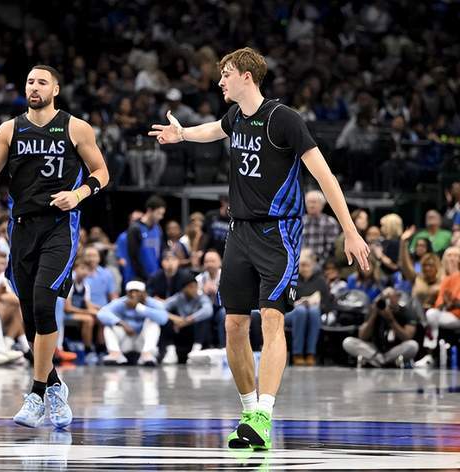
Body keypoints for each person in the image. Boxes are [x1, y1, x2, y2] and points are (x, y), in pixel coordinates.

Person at [149, 46, 369, 450]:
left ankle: (265, 415)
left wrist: (350, 230)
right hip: (240, 232)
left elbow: (325, 177)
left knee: (271, 318)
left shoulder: (283, 119)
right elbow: (214, 129)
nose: (220, 81)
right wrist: (182, 134)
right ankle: (249, 414)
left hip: (279, 233)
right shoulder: (236, 116)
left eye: (226, 74)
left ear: (246, 76)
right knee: (233, 324)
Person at [0, 64, 109, 430]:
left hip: (59, 227)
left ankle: (35, 393)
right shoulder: (9, 129)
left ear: (55, 89)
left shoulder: (75, 127)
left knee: (43, 301)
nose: (34, 87)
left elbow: (102, 172)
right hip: (21, 230)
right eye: (30, 81)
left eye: (42, 82)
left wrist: (78, 194)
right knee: (32, 317)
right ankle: (54, 386)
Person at [97, 280, 168, 366]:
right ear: (127, 293)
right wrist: (121, 323)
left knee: (153, 323)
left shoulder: (152, 302)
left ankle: (146, 355)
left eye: (137, 292)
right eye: (131, 292)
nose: (133, 295)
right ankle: (115, 354)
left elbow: (163, 318)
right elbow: (101, 313)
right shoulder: (122, 302)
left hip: (142, 342)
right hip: (126, 341)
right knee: (109, 325)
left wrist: (139, 308)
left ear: (144, 293)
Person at [342, 288, 419, 367]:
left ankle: (377, 361)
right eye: (385, 298)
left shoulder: (405, 311)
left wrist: (391, 320)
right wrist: (374, 315)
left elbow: (407, 337)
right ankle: (384, 361)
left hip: (395, 349)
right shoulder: (374, 310)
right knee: (348, 342)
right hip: (375, 349)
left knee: (413, 345)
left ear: (397, 297)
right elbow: (362, 336)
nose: (388, 301)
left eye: (390, 297)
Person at [161, 273, 214, 364]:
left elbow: (208, 310)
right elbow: (160, 308)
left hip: (195, 331)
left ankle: (195, 352)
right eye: (190, 287)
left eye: (195, 286)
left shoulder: (201, 297)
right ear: (183, 288)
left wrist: (187, 320)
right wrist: (175, 318)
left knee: (203, 320)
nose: (194, 289)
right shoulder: (178, 298)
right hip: (180, 330)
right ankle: (171, 351)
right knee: (165, 320)